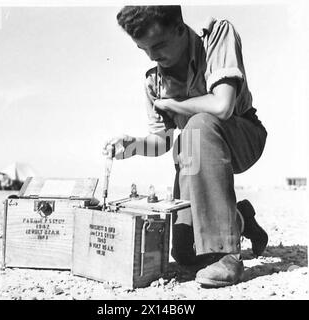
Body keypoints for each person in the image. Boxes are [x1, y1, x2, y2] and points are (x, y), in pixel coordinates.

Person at [103, 5, 268, 288]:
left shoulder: (216, 36)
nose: (153, 56)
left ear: (180, 29)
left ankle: (226, 255)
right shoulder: (154, 81)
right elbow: (163, 142)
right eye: (144, 49)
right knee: (185, 254)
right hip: (196, 151)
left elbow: (222, 105)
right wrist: (131, 145)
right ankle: (240, 217)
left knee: (198, 125)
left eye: (159, 45)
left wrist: (175, 105)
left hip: (244, 136)